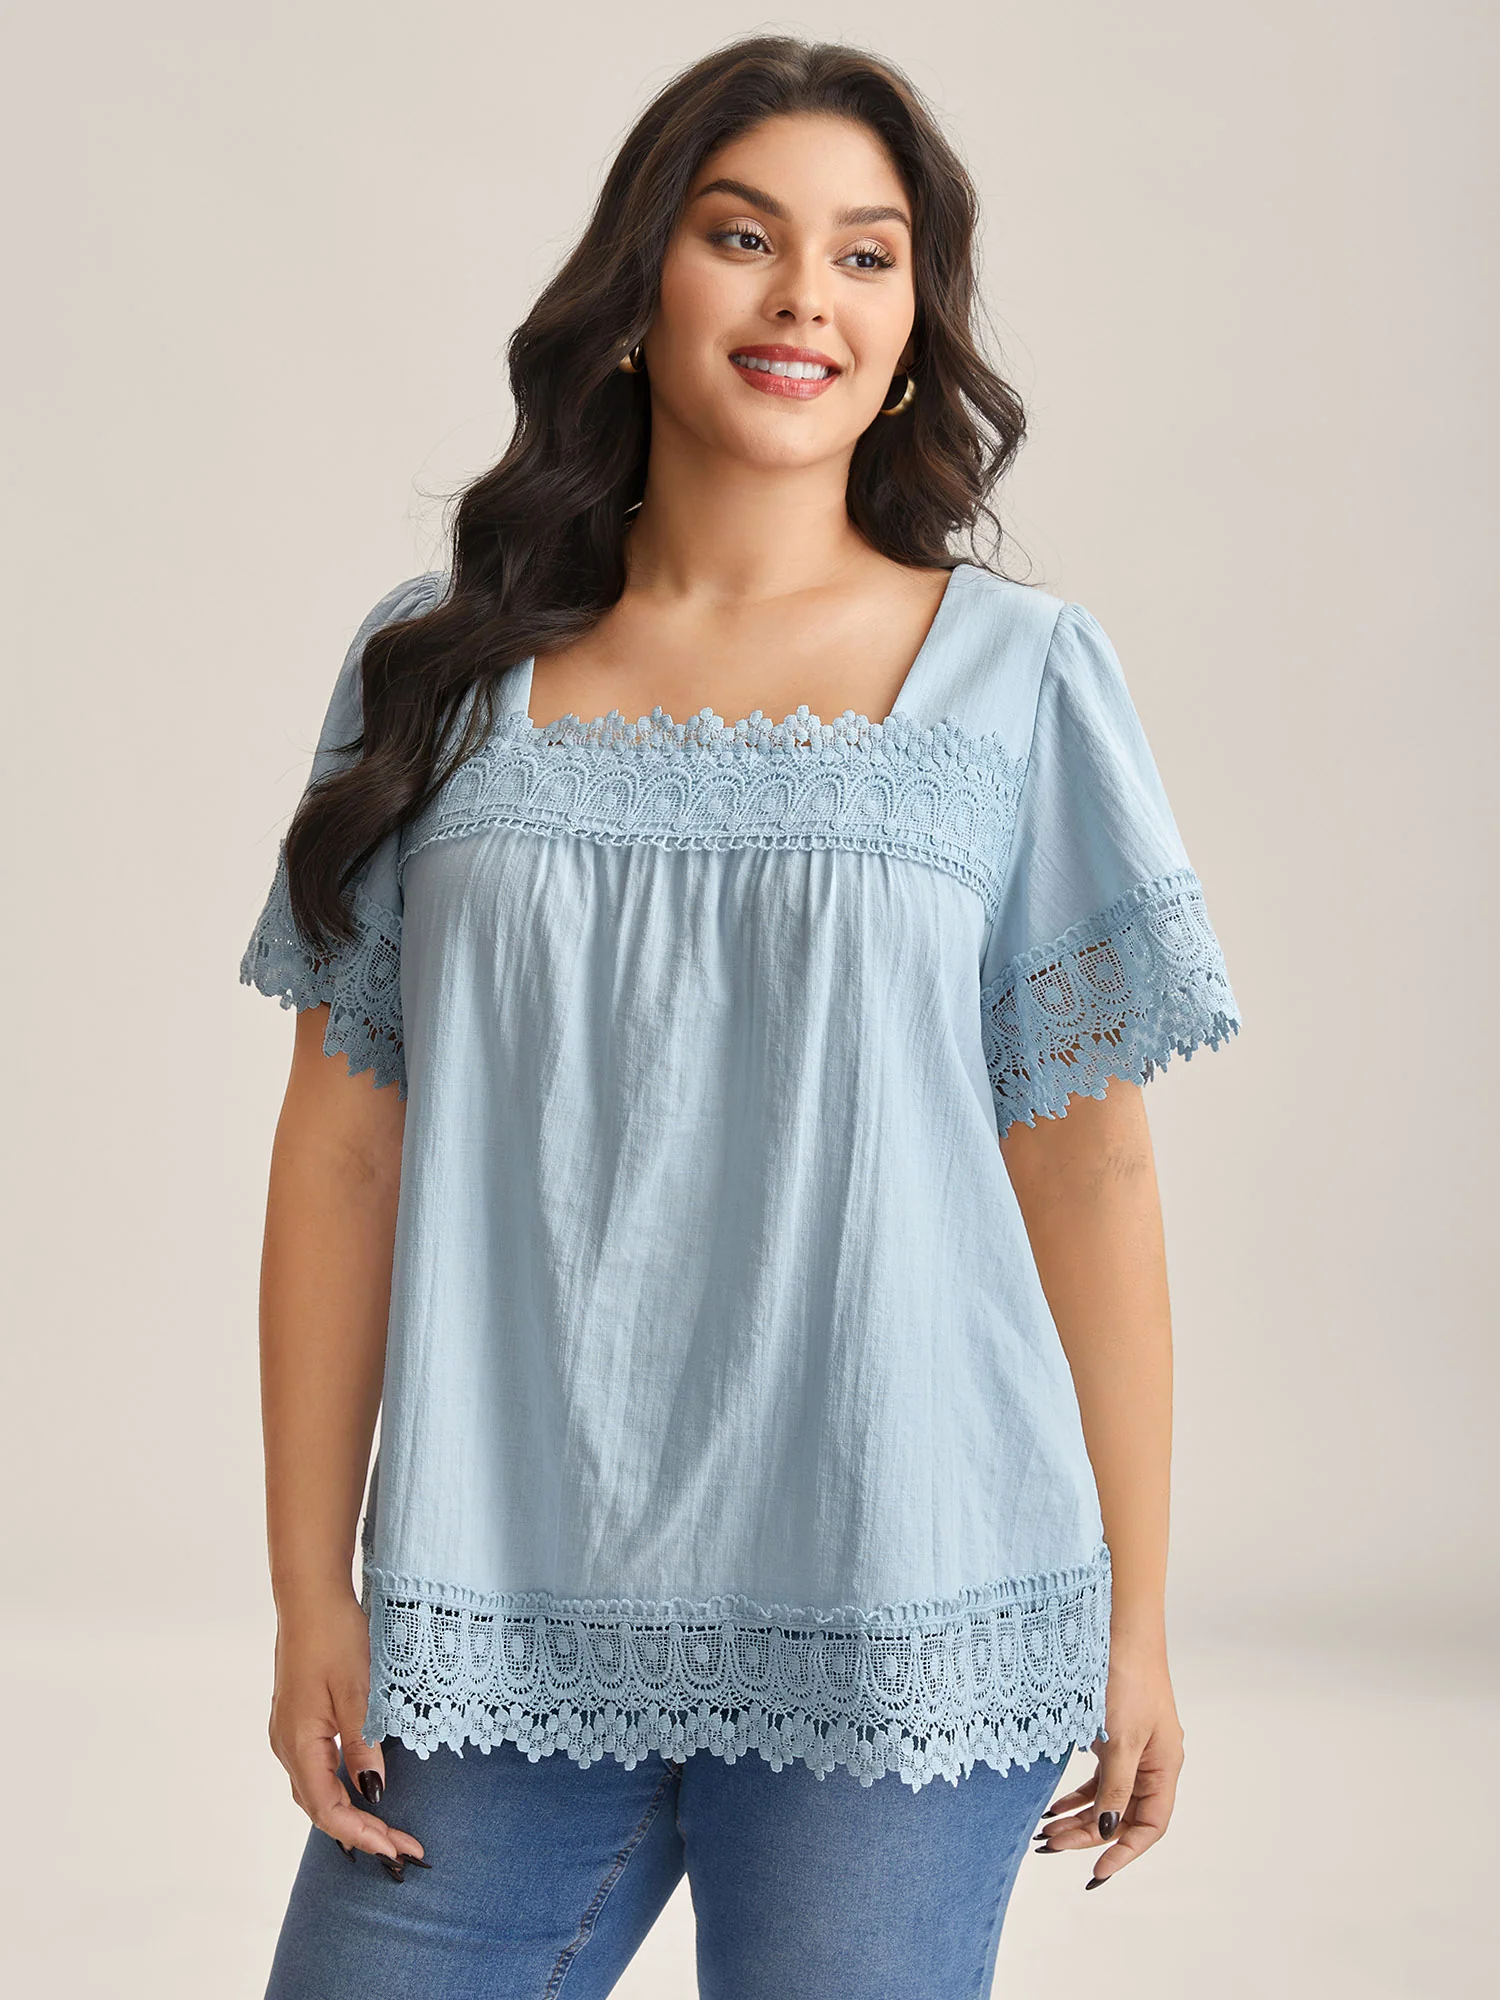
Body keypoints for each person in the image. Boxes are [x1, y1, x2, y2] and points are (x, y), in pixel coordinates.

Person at [241, 33, 1241, 2000]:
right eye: (742, 236)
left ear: (914, 329)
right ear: (638, 290)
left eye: (868, 256)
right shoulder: (433, 670)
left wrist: (1137, 1619)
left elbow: (1093, 1171)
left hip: (910, 1592)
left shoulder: (1020, 680)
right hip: (506, 1599)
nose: (806, 299)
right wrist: (309, 1592)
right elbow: (345, 1145)